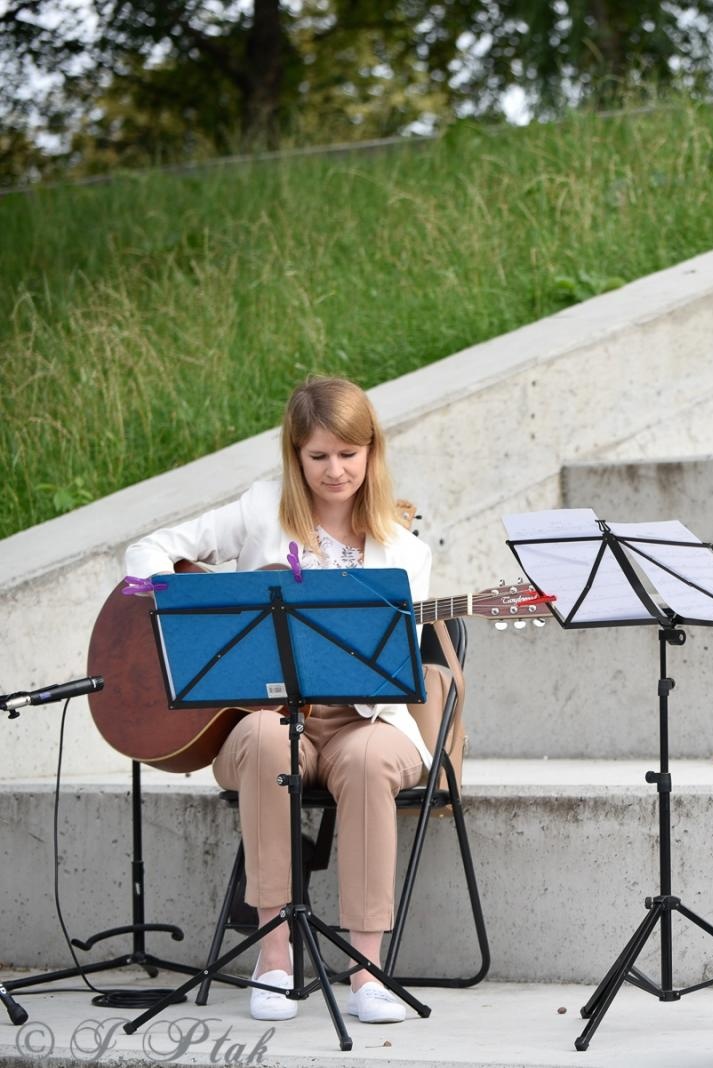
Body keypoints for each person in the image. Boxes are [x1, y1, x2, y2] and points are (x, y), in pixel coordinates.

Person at [125, 375, 437, 1025]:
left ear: (372, 452)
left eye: (348, 454)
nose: (334, 470)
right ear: (295, 455)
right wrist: (188, 609)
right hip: (264, 713)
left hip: (364, 718)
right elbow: (148, 549)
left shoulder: (405, 550)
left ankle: (368, 971)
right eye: (318, 455)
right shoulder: (261, 509)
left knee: (369, 760)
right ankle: (274, 958)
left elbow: (392, 664)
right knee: (269, 741)